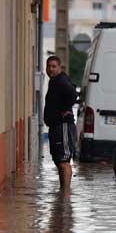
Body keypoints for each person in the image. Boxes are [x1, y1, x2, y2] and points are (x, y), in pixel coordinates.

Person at [44, 55, 78, 190]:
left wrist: (64, 110)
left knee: (64, 161)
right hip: (56, 127)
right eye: (48, 66)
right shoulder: (54, 81)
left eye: (53, 66)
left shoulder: (61, 80)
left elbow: (72, 94)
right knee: (59, 160)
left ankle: (66, 194)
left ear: (59, 67)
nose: (50, 69)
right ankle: (62, 192)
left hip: (63, 126)